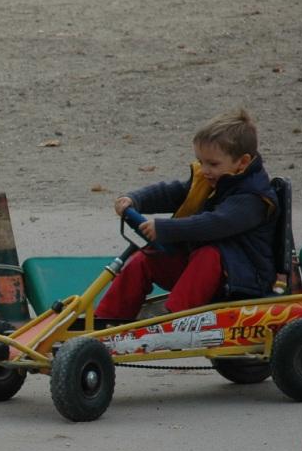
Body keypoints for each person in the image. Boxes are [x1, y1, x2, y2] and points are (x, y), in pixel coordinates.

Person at [95, 108, 278, 321]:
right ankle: (107, 320)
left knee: (209, 253)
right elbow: (174, 192)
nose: (205, 170)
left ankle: (173, 318)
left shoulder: (253, 197)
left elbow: (215, 224)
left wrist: (164, 229)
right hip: (205, 274)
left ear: (243, 162)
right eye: (201, 162)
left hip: (244, 279)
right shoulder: (212, 180)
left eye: (213, 164)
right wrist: (135, 200)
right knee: (144, 259)